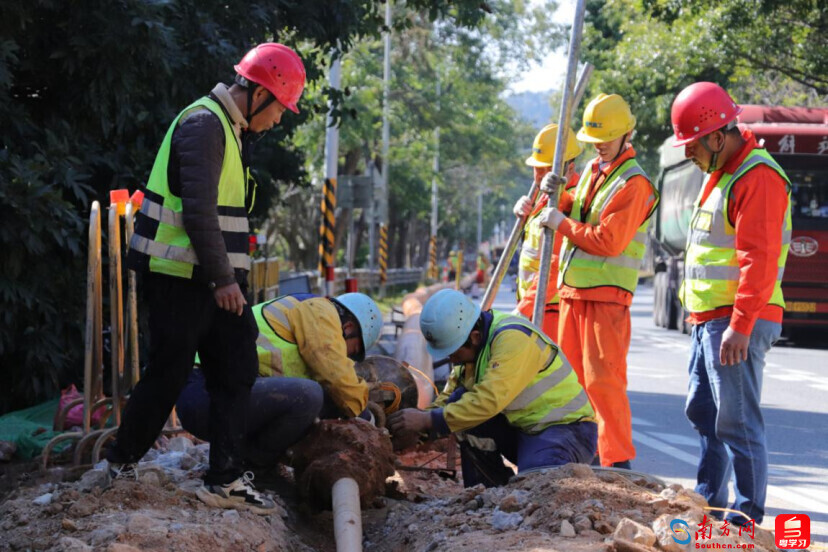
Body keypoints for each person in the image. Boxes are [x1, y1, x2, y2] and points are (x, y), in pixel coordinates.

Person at [105, 43, 306, 515]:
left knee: (237, 365)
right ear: (258, 94)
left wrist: (222, 277)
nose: (279, 120)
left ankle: (226, 477)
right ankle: (119, 462)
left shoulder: (228, 129)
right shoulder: (203, 124)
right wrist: (223, 279)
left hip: (208, 278)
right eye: (280, 108)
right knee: (169, 372)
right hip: (181, 277)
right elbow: (198, 211)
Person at [671, 82, 791, 526]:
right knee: (703, 411)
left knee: (738, 424)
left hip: (738, 320)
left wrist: (741, 326)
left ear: (717, 137)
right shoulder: (723, 173)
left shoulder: (756, 175)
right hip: (711, 319)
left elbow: (758, 260)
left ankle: (745, 517)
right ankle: (709, 501)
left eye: (692, 146)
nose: (689, 155)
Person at [537, 93, 659, 469]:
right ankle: (585, 456)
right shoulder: (595, 170)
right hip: (574, 292)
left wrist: (561, 222)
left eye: (606, 138)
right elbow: (576, 205)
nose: (600, 146)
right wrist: (554, 195)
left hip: (606, 298)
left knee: (603, 384)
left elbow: (608, 240)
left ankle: (616, 464)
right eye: (594, 140)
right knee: (572, 383)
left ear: (627, 134)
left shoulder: (634, 184)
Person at [388, 289, 597, 488]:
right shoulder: (473, 351)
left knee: (536, 485)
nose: (450, 358)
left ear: (475, 336)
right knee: (459, 406)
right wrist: (421, 424)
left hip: (566, 431)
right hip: (525, 431)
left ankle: (523, 492)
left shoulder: (513, 338)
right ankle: (490, 494)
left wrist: (427, 420)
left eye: (452, 351)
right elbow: (450, 398)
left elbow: (489, 401)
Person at [175, 292, 383, 467]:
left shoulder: (303, 321)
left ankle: (249, 463)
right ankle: (251, 466)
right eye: (352, 352)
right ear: (347, 328)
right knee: (309, 396)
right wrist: (364, 415)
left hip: (218, 395)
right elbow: (334, 371)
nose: (347, 358)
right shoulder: (321, 310)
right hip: (206, 392)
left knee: (317, 400)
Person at [512, 123, 583, 340]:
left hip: (551, 310)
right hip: (536, 308)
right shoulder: (543, 197)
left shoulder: (571, 202)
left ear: (569, 168)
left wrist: (523, 309)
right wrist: (523, 213)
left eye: (546, 168)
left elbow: (554, 266)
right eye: (537, 168)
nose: (540, 175)